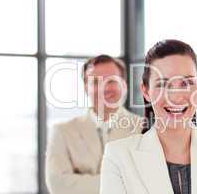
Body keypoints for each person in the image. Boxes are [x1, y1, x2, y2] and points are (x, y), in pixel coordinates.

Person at [100, 40, 197, 194]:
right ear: (146, 91)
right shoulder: (118, 156)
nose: (176, 97)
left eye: (185, 83)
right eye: (163, 84)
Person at [45, 55, 143, 194]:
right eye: (95, 82)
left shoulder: (145, 129)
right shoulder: (62, 132)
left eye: (111, 81)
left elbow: (148, 183)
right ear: (86, 87)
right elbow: (58, 185)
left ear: (124, 85)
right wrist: (120, 182)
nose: (104, 88)